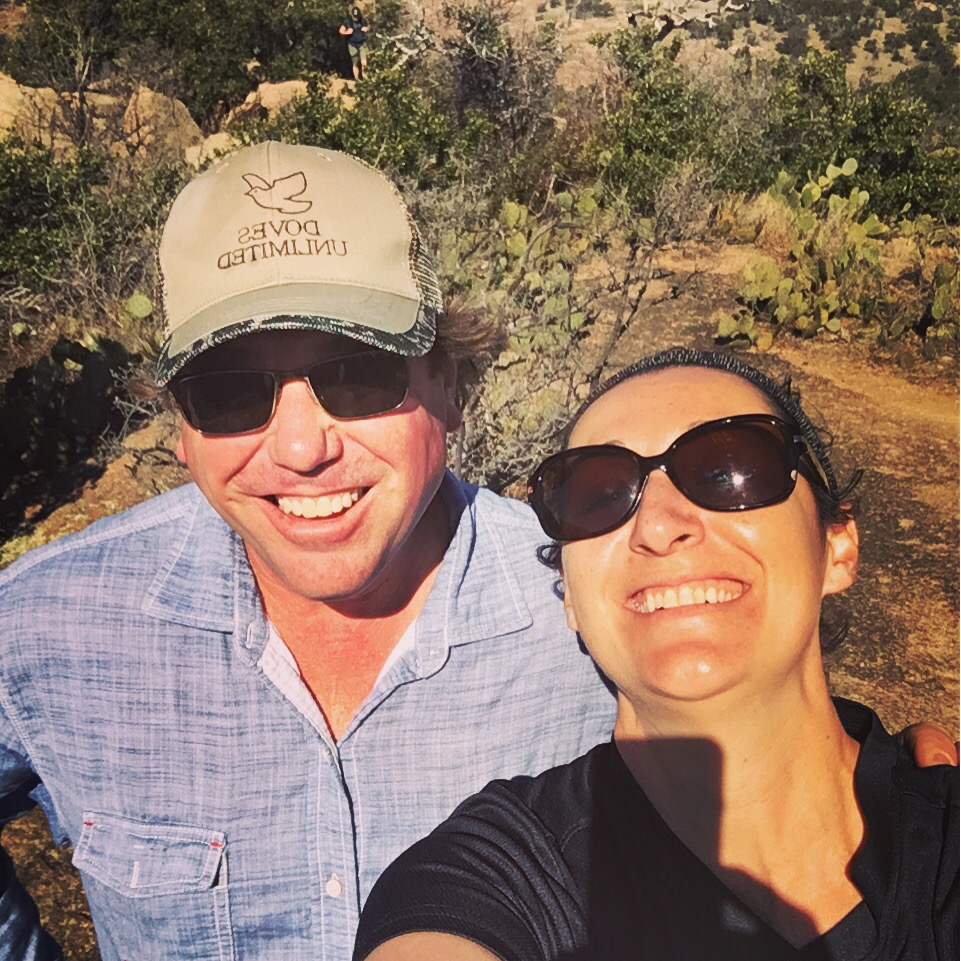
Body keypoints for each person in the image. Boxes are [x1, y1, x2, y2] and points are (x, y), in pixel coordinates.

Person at [0, 143, 952, 960]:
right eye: (229, 394)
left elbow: (788, 761)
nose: (299, 446)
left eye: (357, 375)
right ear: (180, 427)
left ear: (450, 386)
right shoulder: (45, 624)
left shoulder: (599, 592)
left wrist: (903, 803)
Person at [354, 348, 959, 961]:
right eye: (599, 495)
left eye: (728, 472)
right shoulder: (492, 879)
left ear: (837, 546)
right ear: (570, 598)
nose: (660, 526)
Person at [340, 5, 370, 80]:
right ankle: (357, 80)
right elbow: (341, 31)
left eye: (357, 17)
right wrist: (347, 32)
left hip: (361, 43)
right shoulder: (347, 21)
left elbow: (368, 27)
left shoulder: (362, 20)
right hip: (352, 44)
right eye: (354, 17)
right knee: (355, 63)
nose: (356, 18)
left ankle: (365, 78)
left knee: (364, 62)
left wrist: (366, 29)